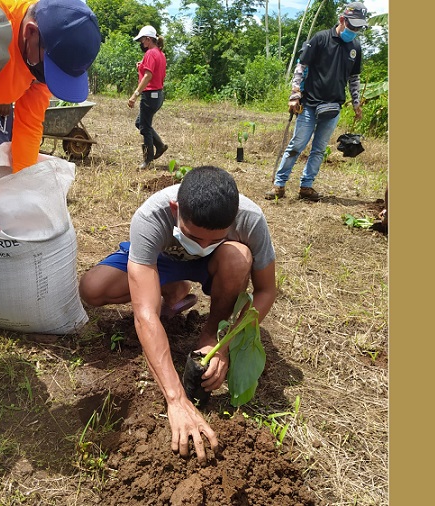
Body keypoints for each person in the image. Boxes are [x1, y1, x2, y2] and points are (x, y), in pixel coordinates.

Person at [79, 166, 277, 464]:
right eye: (194, 236)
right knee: (93, 289)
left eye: (214, 239)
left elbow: (266, 290)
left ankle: (208, 333)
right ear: (176, 209)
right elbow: (145, 314)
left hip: (217, 266)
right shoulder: (152, 216)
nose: (203, 245)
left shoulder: (250, 218)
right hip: (163, 260)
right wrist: (176, 399)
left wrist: (224, 344)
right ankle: (171, 287)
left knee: (238, 258)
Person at [0, 0, 101, 343]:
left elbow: (29, 128)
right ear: (31, 33)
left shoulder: (46, 49)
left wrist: (23, 196)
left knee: (0, 169)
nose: (48, 78)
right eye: (50, 70)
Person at [265, 2, 368, 202]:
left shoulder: (355, 47)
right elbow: (301, 66)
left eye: (358, 28)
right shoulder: (321, 39)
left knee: (319, 149)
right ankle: (279, 184)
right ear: (342, 20)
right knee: (297, 145)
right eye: (352, 26)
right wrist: (295, 94)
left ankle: (306, 186)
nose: (354, 31)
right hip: (310, 104)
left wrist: (356, 103)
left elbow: (354, 78)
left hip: (333, 107)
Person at [127, 25, 168, 170]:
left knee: (144, 127)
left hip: (150, 96)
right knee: (141, 123)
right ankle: (160, 146)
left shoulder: (150, 53)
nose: (141, 43)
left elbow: (148, 76)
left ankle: (148, 160)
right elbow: (154, 72)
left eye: (142, 40)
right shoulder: (160, 54)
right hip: (158, 95)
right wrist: (141, 66)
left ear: (148, 39)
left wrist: (135, 95)